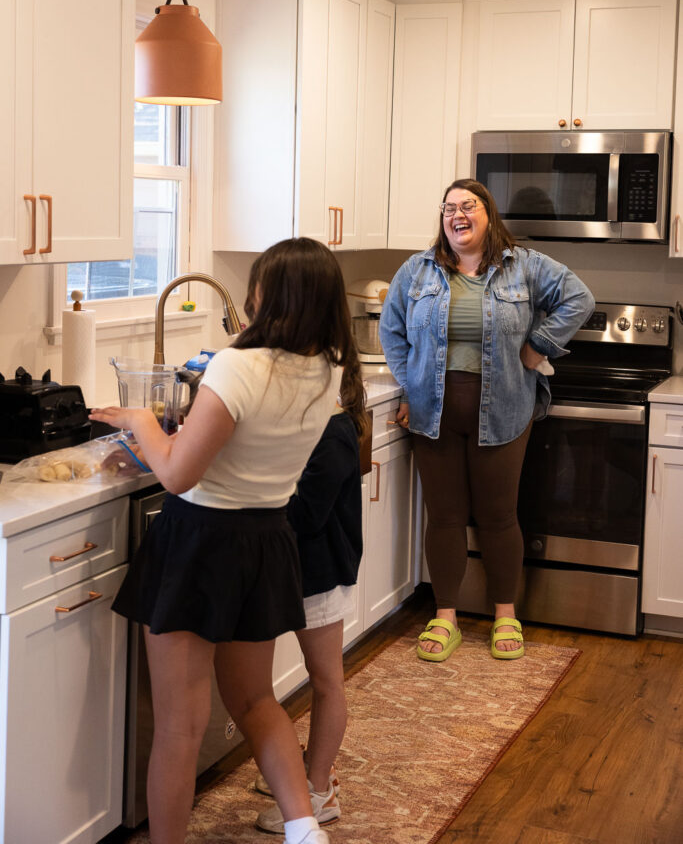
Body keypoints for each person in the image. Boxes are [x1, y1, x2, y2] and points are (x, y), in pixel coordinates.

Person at [90, 237, 357, 844]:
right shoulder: (326, 369)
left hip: (200, 541)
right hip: (265, 542)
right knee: (257, 701)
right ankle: (303, 827)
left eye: (257, 286)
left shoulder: (240, 365)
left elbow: (180, 472)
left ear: (270, 295)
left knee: (180, 728)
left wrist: (139, 423)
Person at [379, 178, 594, 663]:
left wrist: (538, 345)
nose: (458, 215)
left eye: (468, 206)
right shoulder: (417, 271)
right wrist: (410, 388)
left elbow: (579, 298)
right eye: (449, 207)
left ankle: (505, 616)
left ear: (487, 214)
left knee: (498, 518)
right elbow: (391, 331)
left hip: (504, 410)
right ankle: (446, 616)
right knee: (445, 516)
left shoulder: (525, 266)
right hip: (433, 413)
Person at [253, 360, 369, 833]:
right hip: (301, 569)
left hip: (320, 572)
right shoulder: (318, 424)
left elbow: (306, 513)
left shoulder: (334, 433)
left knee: (325, 681)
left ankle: (318, 792)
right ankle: (305, 773)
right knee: (320, 679)